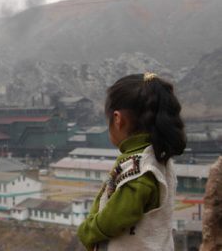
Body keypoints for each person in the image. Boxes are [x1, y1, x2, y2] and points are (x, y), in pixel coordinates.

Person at [77, 73, 186, 251]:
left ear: (118, 119)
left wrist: (87, 231)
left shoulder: (140, 171)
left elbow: (115, 217)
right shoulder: (158, 157)